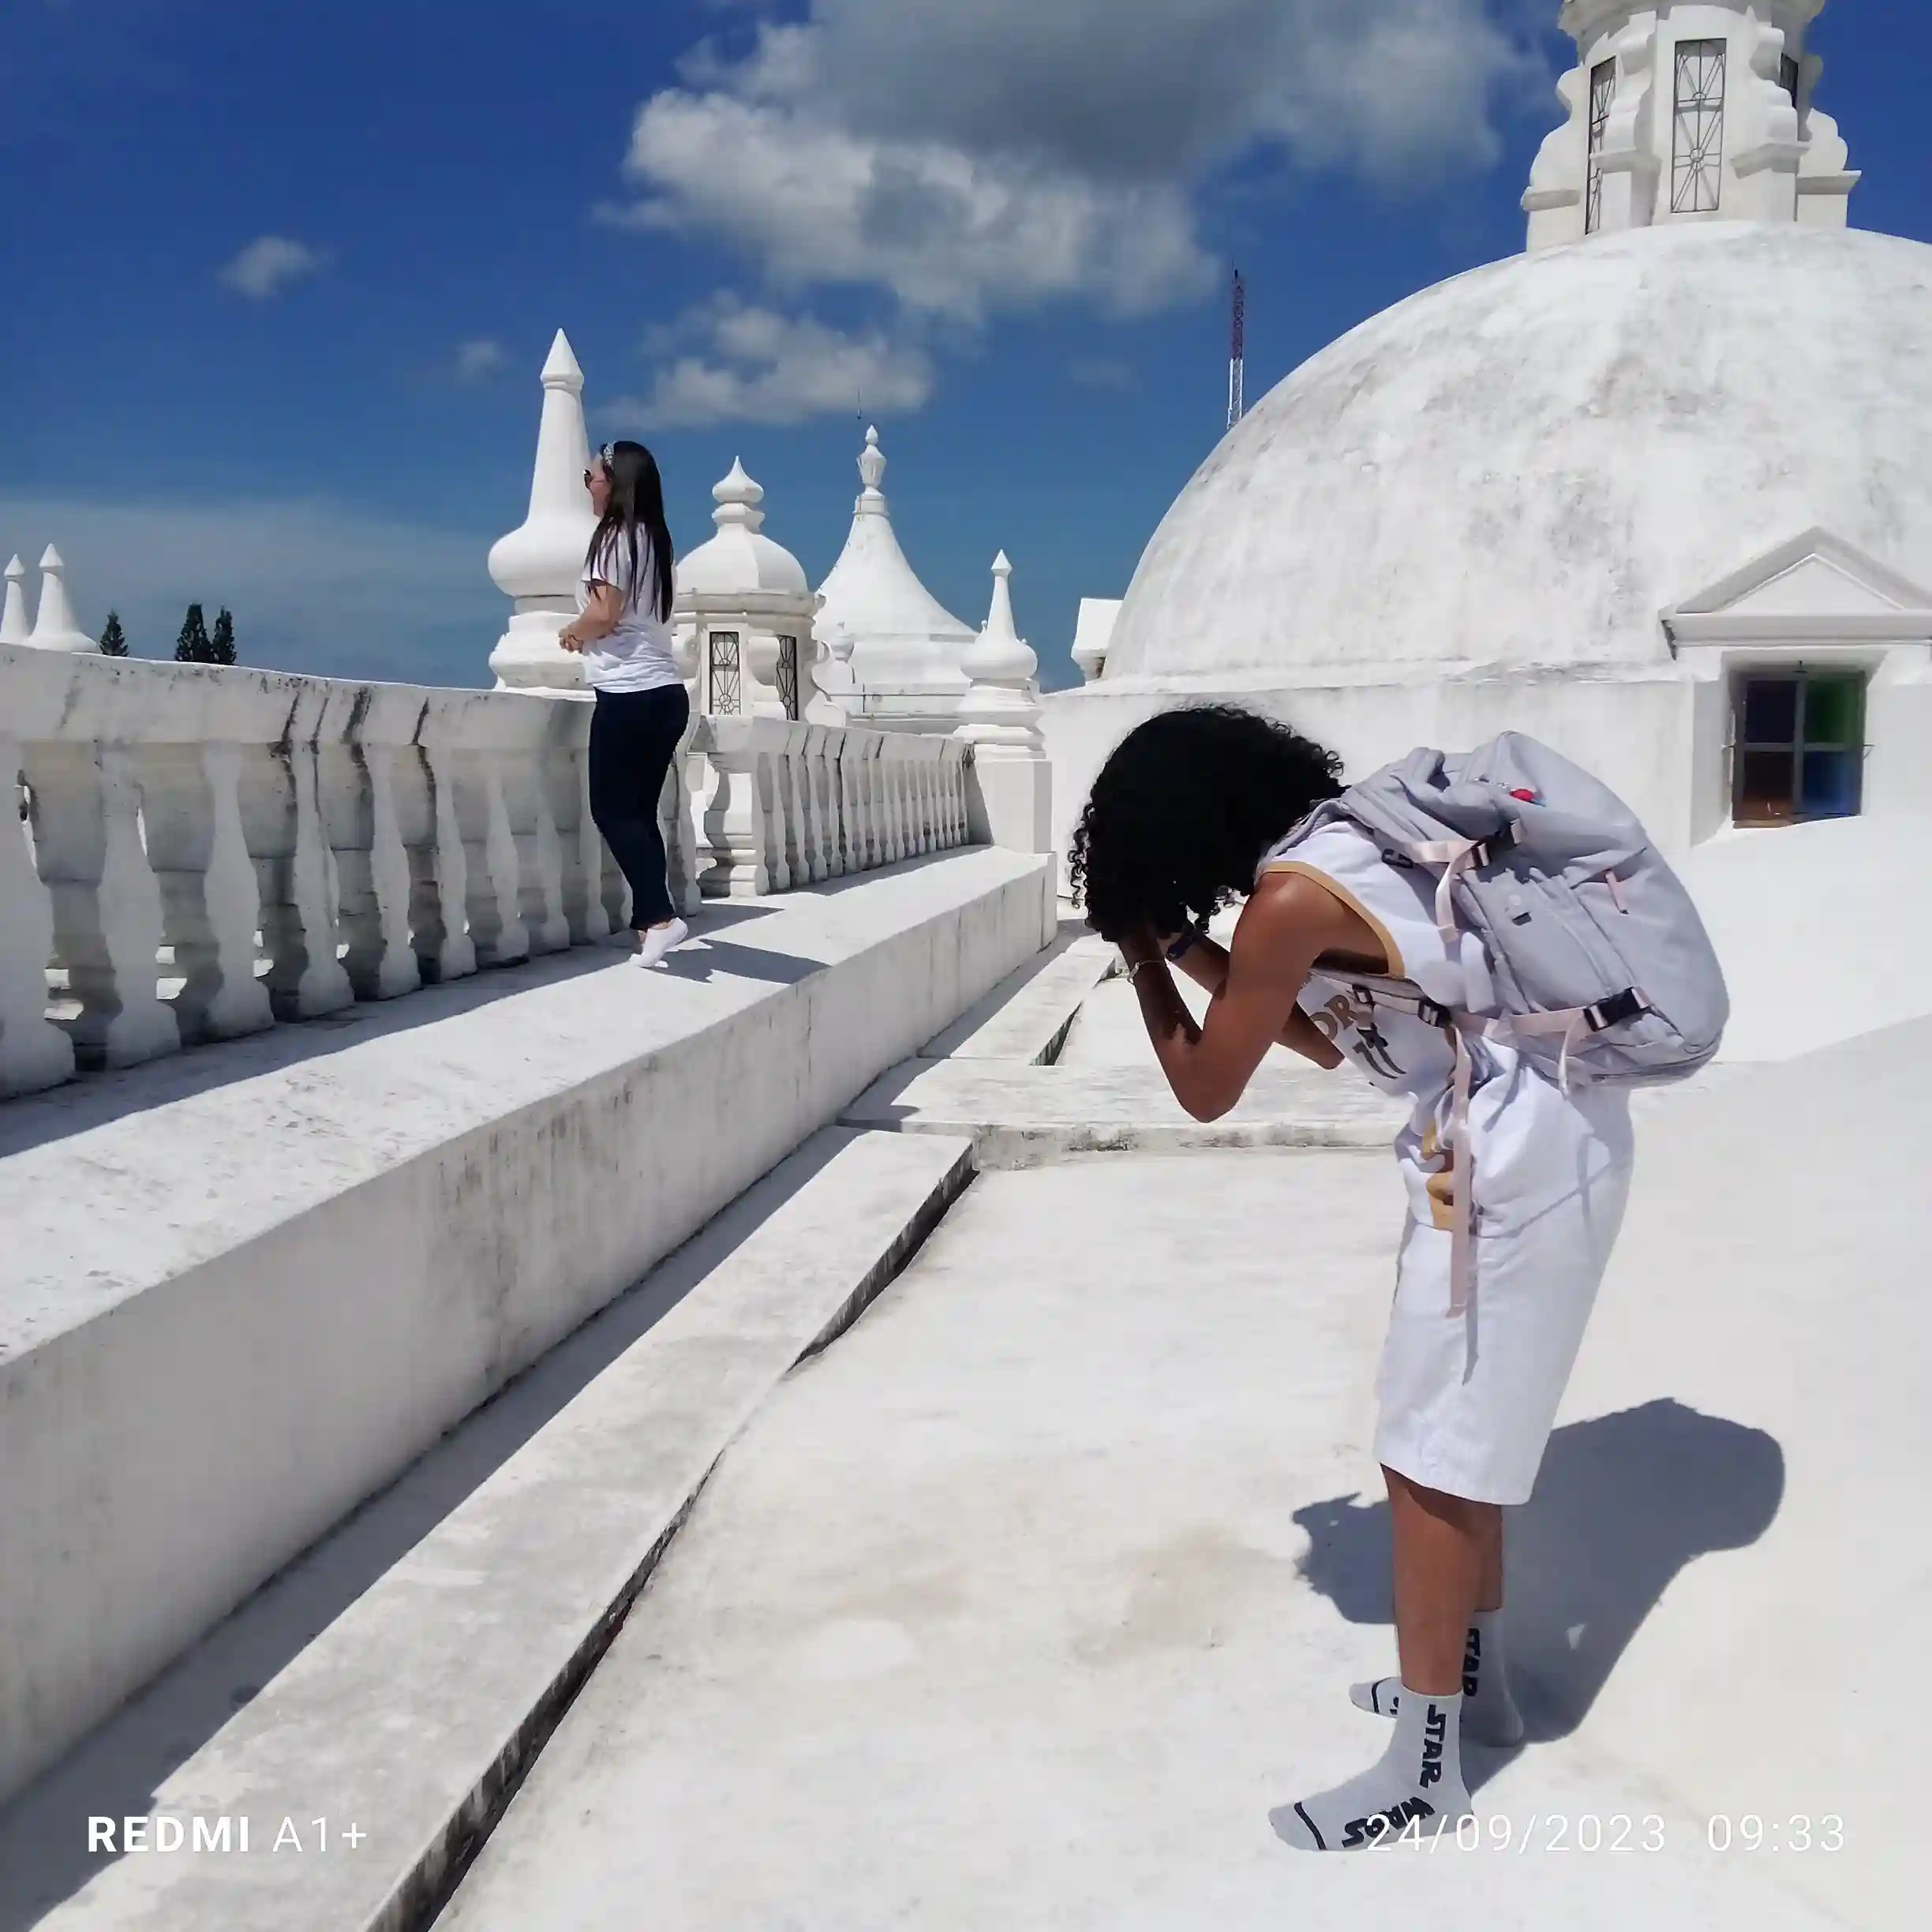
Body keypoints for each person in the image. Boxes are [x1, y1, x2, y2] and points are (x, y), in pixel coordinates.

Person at [1070, 705, 1634, 1852]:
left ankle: (1425, 1774)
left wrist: (1141, 955)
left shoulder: (1288, 900)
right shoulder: (1347, 854)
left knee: (1426, 1459)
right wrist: (1189, 948)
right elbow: (1337, 1042)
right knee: (1452, 1446)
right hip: (1533, 1144)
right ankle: (1476, 1700)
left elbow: (1206, 1083)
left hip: (1508, 1169)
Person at [559, 440, 690, 969]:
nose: (587, 486)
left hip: (629, 693)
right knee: (638, 812)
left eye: (590, 477)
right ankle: (649, 927)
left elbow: (606, 611)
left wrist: (573, 631)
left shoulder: (611, 537)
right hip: (666, 693)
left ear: (614, 484)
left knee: (611, 811)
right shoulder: (654, 539)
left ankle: (660, 918)